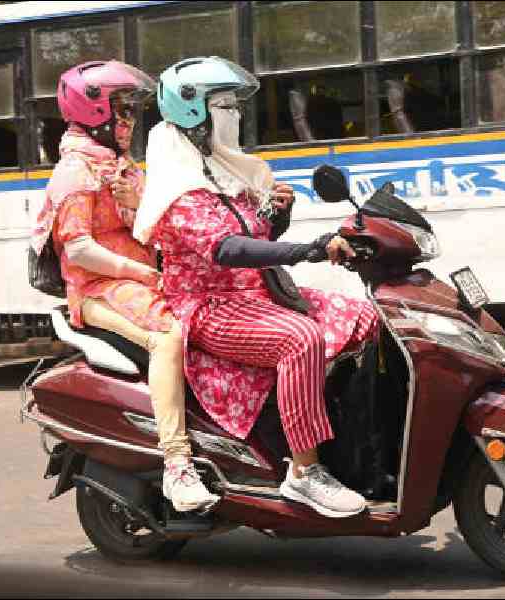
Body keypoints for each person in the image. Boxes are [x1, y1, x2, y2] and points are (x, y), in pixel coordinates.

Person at [134, 57, 380, 519]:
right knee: (300, 339)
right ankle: (305, 473)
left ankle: (359, 436)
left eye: (233, 106)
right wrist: (310, 249)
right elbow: (228, 249)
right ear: (195, 115)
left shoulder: (223, 170)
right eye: (224, 106)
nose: (235, 116)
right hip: (209, 308)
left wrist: (276, 216)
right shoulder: (178, 187)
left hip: (257, 294)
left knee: (369, 316)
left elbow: (256, 239)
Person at [30, 60, 218, 513]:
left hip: (141, 277)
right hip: (98, 288)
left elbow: (156, 224)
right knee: (168, 336)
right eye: (123, 111)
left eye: (133, 111)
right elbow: (78, 251)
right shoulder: (76, 173)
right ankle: (177, 464)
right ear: (95, 113)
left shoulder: (123, 167)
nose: (130, 121)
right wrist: (140, 272)